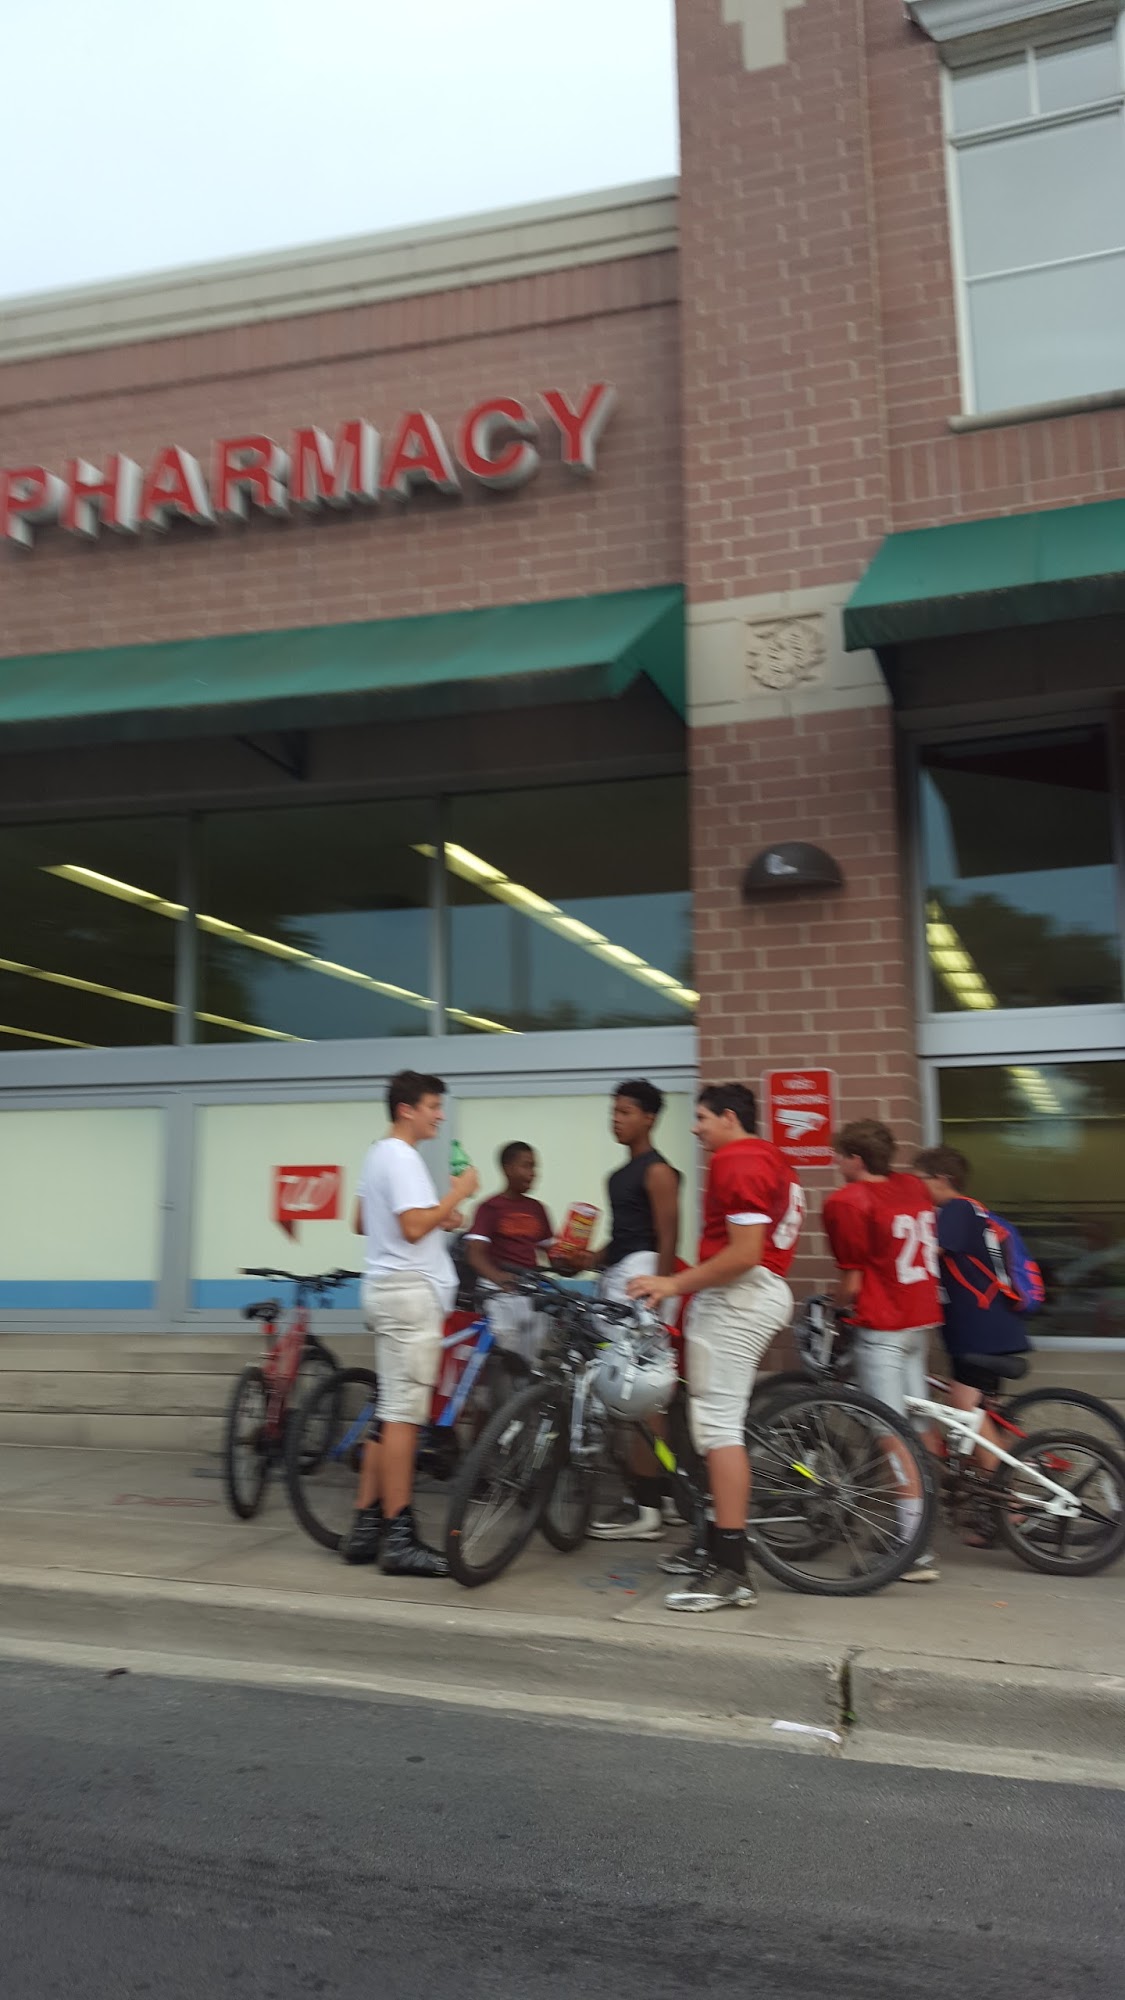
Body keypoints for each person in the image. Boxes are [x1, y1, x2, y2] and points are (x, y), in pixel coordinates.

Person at [629, 1082, 803, 1612]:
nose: (695, 1127)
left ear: (730, 1117)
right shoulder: (768, 1156)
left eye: (702, 1117)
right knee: (709, 1426)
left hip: (740, 1296)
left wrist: (673, 1283)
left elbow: (746, 1252)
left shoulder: (740, 1158)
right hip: (746, 1293)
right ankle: (713, 1546)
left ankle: (732, 1569)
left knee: (720, 1431)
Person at [340, 1069, 479, 1575]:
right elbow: (413, 1225)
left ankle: (364, 1529)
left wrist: (438, 1215)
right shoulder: (402, 1156)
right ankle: (400, 1537)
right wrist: (458, 1194)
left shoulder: (378, 1153)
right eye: (433, 1106)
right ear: (407, 1110)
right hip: (409, 1297)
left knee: (387, 1414)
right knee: (403, 1417)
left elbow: (363, 1220)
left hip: (385, 1290)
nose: (440, 1115)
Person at [822, 1119, 943, 1585]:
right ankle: (923, 1527)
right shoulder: (912, 1186)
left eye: (840, 1156)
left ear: (855, 1159)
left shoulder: (849, 1200)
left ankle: (913, 1546)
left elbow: (852, 1283)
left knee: (890, 1431)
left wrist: (833, 1308)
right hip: (919, 1318)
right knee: (918, 1426)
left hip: (884, 1324)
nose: (837, 1163)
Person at [914, 1144, 1032, 1542]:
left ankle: (1011, 1507)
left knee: (966, 1410)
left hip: (980, 1332)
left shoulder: (958, 1209)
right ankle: (991, 1514)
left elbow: (928, 1254)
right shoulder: (971, 1212)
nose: (917, 1187)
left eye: (920, 1180)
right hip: (989, 1329)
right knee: (979, 1418)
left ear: (942, 1179)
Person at [586, 1079, 682, 1542]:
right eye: (614, 1111)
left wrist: (660, 1292)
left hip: (644, 1286)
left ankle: (647, 1509)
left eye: (625, 1112)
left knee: (642, 1395)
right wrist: (583, 1258)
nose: (616, 1119)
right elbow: (624, 1237)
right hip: (619, 1279)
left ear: (649, 1118)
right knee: (630, 1395)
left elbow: (667, 1236)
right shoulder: (618, 1175)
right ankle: (662, 1494)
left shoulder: (658, 1171)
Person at [464, 1142, 556, 1366]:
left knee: (529, 1362)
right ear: (507, 1169)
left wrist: (574, 1258)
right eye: (526, 1166)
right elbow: (474, 1255)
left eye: (534, 1167)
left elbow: (553, 1256)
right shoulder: (489, 1208)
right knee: (506, 1359)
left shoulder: (538, 1210)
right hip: (499, 1294)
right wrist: (500, 1279)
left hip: (530, 1292)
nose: (533, 1173)